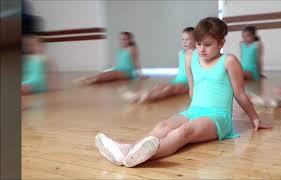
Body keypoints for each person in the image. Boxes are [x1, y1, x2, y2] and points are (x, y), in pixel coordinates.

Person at [95, 17, 271, 168]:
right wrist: (187, 114)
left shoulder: (229, 61)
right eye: (199, 44)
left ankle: (138, 157)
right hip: (194, 111)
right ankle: (127, 149)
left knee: (183, 132)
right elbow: (193, 89)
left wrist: (255, 118)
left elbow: (239, 94)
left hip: (217, 117)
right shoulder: (190, 58)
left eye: (208, 45)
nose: (202, 49)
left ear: (222, 43)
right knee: (163, 126)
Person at [121, 27, 196, 103]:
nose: (184, 42)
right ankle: (137, 95)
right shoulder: (181, 53)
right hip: (177, 80)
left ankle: (149, 96)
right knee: (160, 86)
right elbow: (181, 71)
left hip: (188, 84)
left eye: (187, 39)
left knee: (170, 89)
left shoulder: (197, 54)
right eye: (183, 39)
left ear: (195, 40)